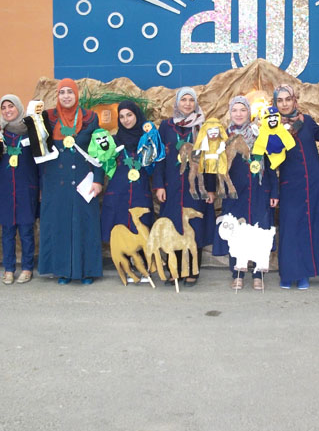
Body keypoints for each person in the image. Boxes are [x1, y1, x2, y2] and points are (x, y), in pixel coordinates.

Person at [38, 78, 103, 285]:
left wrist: (98, 180)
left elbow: (99, 151)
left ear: (76, 94)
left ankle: (87, 271)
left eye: (70, 92)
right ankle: (63, 270)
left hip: (84, 180)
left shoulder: (90, 118)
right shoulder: (47, 118)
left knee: (85, 225)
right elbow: (38, 148)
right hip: (56, 181)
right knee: (60, 225)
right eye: (62, 92)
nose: (66, 96)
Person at [212, 96, 278, 291]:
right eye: (235, 110)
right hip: (234, 194)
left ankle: (258, 274)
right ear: (230, 113)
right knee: (236, 233)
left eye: (242, 110)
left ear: (248, 112)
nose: (239, 114)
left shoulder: (259, 134)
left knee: (259, 232)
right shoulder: (224, 137)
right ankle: (238, 274)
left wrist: (274, 191)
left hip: (259, 191)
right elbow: (216, 166)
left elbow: (271, 165)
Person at [153, 87, 216, 286]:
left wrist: (210, 188)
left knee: (193, 226)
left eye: (191, 100)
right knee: (174, 226)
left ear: (195, 103)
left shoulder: (202, 126)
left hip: (196, 185)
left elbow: (210, 159)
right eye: (184, 100)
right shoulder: (166, 126)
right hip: (172, 185)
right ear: (177, 102)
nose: (187, 104)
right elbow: (159, 157)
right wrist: (159, 185)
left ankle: (192, 270)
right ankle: (175, 269)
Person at [273, 84, 319, 289]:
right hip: (290, 185)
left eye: (288, 99)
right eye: (280, 100)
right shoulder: (272, 126)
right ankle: (288, 274)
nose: (284, 104)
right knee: (290, 228)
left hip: (314, 183)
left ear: (294, 100)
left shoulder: (306, 121)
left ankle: (305, 274)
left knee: (309, 228)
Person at [101, 100, 154, 281]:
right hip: (119, 191)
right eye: (122, 116)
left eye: (129, 115)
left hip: (140, 189)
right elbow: (104, 162)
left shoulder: (147, 139)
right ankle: (128, 267)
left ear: (136, 115)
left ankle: (145, 267)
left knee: (142, 226)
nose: (126, 120)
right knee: (122, 226)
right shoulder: (114, 140)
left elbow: (155, 163)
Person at [0, 94, 39, 285]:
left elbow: (39, 161)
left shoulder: (31, 132)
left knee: (26, 231)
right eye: (3, 108)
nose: (7, 110)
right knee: (7, 232)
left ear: (19, 107)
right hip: (5, 190)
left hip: (26, 188)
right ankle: (8, 269)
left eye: (11, 106)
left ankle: (27, 268)